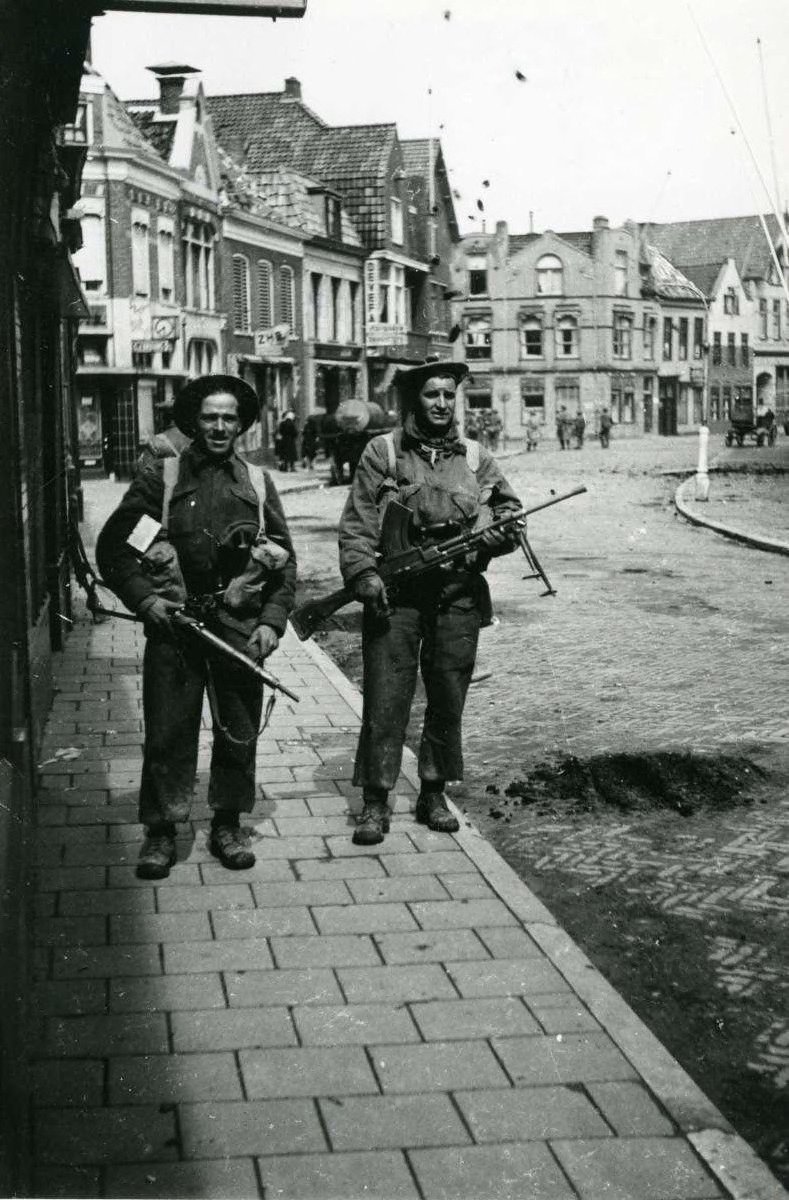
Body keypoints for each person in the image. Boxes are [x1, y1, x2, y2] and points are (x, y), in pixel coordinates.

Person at [96, 375, 296, 880]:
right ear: (193, 421)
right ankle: (161, 831)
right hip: (175, 626)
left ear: (242, 424)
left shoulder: (257, 482)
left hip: (237, 627)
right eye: (210, 417)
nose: (220, 426)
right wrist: (146, 603)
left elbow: (284, 562)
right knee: (168, 729)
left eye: (230, 417)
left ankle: (227, 824)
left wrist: (272, 622)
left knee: (238, 728)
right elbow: (116, 550)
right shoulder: (161, 480)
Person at [338, 360, 521, 845]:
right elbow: (357, 525)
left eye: (448, 395)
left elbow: (509, 511)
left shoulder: (476, 456)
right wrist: (364, 577)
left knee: (447, 695)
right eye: (430, 395)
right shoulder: (383, 452)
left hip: (456, 595)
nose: (441, 404)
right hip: (396, 597)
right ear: (412, 400)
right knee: (386, 695)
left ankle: (433, 793)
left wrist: (493, 536)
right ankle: (376, 801)